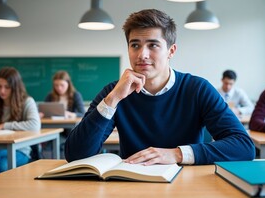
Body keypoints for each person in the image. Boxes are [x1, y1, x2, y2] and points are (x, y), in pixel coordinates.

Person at [65, 9, 255, 165]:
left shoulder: (197, 89)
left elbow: (243, 146)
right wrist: (113, 99)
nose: (142, 55)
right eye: (135, 45)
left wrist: (177, 154)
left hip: (187, 184)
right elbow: (75, 154)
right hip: (131, 184)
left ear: (171, 51)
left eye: (153, 45)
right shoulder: (114, 92)